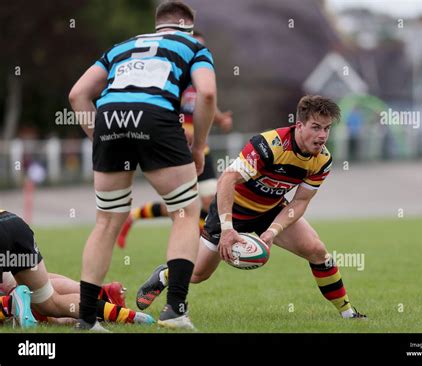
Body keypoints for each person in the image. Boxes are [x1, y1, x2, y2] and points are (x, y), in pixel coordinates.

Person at [136, 95, 367, 320]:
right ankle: (165, 274)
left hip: (269, 210)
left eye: (326, 129)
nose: (322, 135)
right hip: (231, 209)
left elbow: (300, 201)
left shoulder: (322, 160)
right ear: (299, 125)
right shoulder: (269, 145)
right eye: (316, 127)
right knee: (199, 274)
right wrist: (227, 228)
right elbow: (227, 179)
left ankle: (348, 313)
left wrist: (273, 231)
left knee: (317, 251)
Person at [68, 1, 216, 330]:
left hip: (109, 117)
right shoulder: (192, 46)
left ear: (157, 25)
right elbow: (206, 94)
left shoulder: (122, 47)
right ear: (188, 27)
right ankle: (175, 310)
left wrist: (99, 136)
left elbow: (78, 94)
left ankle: (87, 318)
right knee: (185, 211)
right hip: (155, 117)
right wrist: (200, 146)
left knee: (106, 222)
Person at [117, 31, 233, 249]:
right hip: (177, 148)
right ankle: (193, 248)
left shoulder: (200, 82)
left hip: (201, 149)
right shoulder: (172, 79)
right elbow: (160, 112)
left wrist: (220, 119)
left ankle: (195, 245)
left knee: (207, 202)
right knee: (183, 204)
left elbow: (206, 104)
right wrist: (181, 130)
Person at [0, 209, 154, 330]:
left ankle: (11, 303)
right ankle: (128, 315)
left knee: (17, 289)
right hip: (15, 223)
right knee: (51, 303)